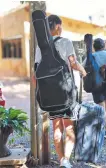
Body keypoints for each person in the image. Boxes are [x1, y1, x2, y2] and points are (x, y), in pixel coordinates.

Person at [34, 15, 87, 168]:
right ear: (57, 26)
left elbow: (35, 73)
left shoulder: (41, 47)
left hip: (50, 96)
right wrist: (83, 71)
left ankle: (60, 158)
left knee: (57, 127)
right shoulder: (65, 42)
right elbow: (73, 63)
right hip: (66, 94)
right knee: (69, 126)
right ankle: (66, 161)